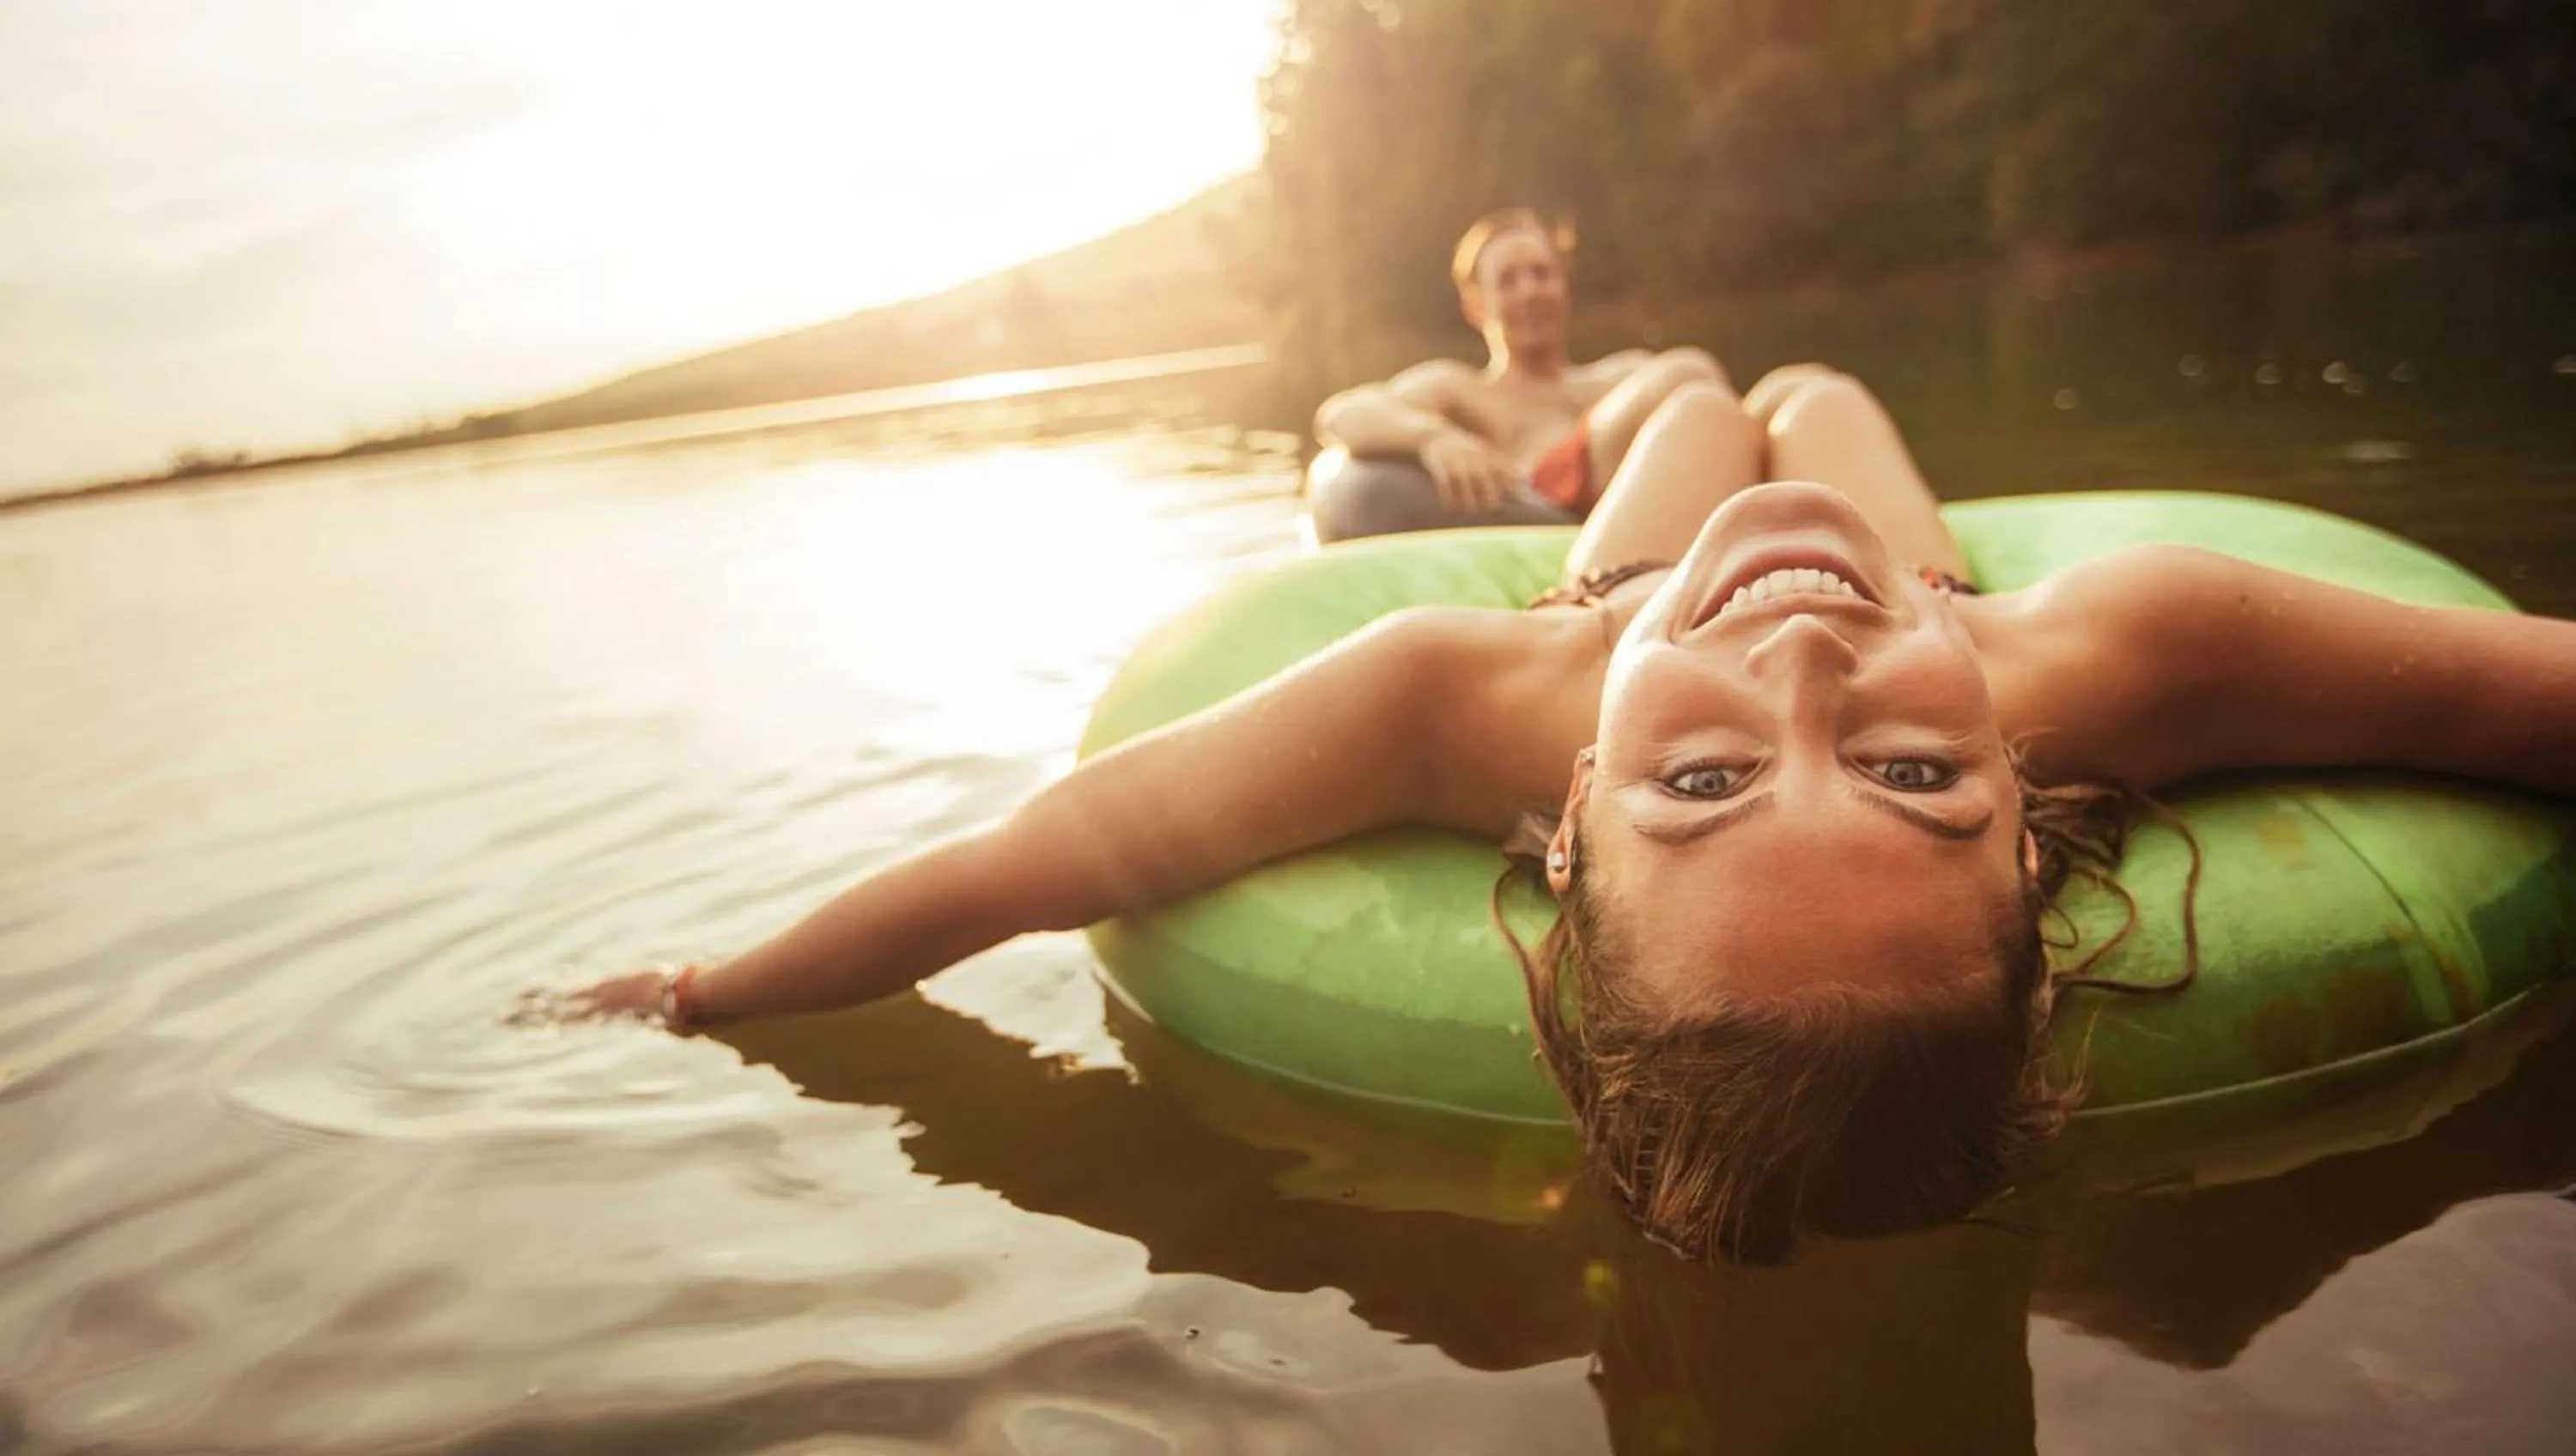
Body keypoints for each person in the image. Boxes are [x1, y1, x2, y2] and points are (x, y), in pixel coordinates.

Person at [554, 367, 2576, 1265]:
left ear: (1570, 828)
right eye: (1913, 775)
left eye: (1702, 789)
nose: (1801, 687)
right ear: (2027, 814)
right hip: (1913, 574)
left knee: (1717, 413)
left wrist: (708, 986)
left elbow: (1018, 868)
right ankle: (1662, 396)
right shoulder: (2121, 653)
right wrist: (1881, 630)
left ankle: (1655, 416)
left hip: (1616, 603)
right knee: (1788, 393)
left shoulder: (1453, 699)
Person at [1305, 208, 1730, 541]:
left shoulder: (1623, 374)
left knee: (1786, 393)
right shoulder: (1458, 388)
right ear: (1476, 305)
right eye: (1508, 281)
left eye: (1542, 274)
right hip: (1548, 503)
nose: (1529, 291)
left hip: (1657, 493)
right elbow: (1341, 414)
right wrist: (1433, 437)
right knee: (1689, 372)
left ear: (1564, 286)